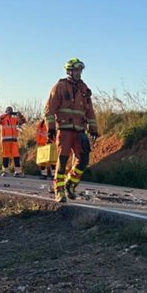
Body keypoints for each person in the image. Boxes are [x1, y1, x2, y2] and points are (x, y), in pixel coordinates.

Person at [44, 58, 99, 202]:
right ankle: (59, 190)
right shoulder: (60, 87)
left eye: (80, 70)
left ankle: (71, 184)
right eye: (76, 70)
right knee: (62, 162)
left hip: (80, 131)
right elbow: (49, 110)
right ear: (69, 71)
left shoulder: (84, 89)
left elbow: (90, 112)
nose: (79, 73)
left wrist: (94, 129)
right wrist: (50, 129)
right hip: (64, 129)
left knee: (83, 160)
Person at [0, 106, 26, 176]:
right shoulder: (3, 119)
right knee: (5, 156)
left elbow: (23, 121)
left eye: (11, 111)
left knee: (16, 156)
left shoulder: (14, 119)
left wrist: (20, 115)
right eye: (8, 110)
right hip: (5, 141)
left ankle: (18, 172)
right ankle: (5, 172)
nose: (10, 112)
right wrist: (6, 114)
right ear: (6, 111)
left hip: (14, 141)